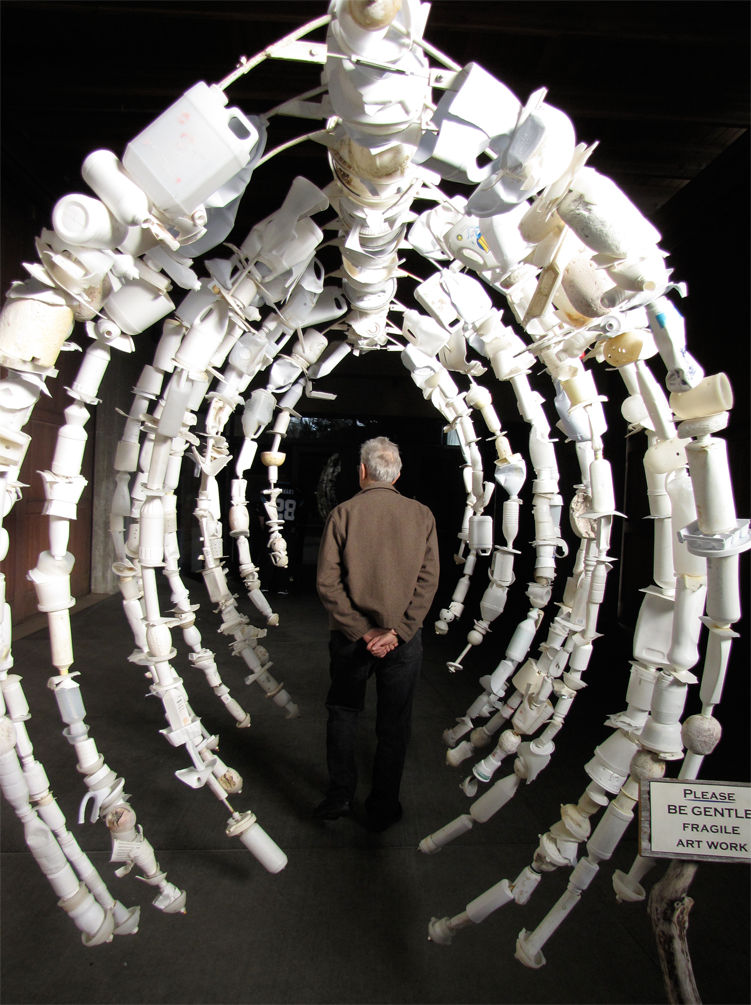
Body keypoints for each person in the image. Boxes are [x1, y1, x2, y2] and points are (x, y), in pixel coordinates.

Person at [314, 436, 440, 831]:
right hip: (402, 643)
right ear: (397, 474)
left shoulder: (343, 513)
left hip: (352, 641)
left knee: (344, 715)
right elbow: (428, 580)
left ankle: (339, 797)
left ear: (362, 472)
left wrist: (361, 630)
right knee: (394, 723)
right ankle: (384, 805)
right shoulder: (422, 516)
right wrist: (399, 631)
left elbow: (327, 583)